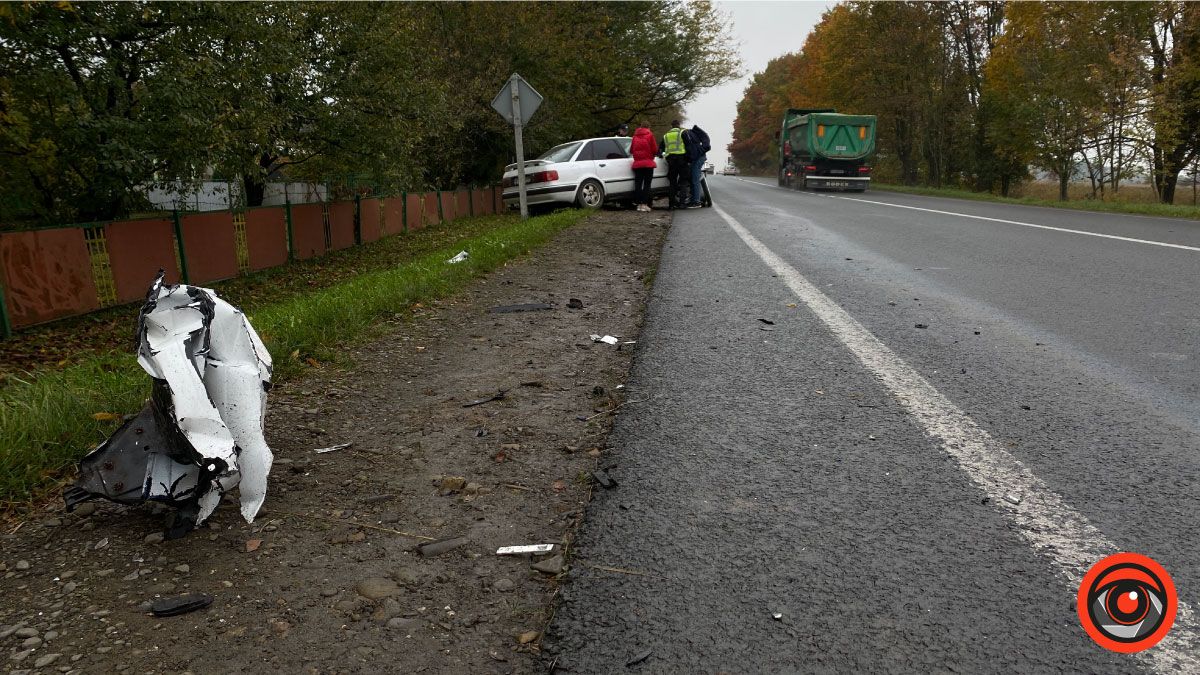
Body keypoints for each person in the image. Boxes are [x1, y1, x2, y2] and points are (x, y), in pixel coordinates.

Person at [660, 120, 690, 210]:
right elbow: (688, 146)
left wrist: (665, 156)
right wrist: (689, 159)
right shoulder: (682, 133)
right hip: (682, 160)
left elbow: (661, 149)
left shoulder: (666, 135)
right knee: (683, 182)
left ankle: (671, 205)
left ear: (671, 126)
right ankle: (682, 204)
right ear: (679, 125)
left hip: (671, 161)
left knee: (672, 183)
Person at [630, 122, 658, 212]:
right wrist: (652, 155)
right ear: (648, 127)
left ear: (640, 127)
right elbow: (655, 149)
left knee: (638, 184)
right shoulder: (650, 135)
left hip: (637, 164)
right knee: (647, 184)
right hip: (648, 164)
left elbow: (631, 150)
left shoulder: (634, 137)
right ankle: (644, 204)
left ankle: (638, 205)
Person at [686, 124, 711, 208]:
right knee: (692, 178)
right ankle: (693, 199)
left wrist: (702, 150)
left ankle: (696, 201)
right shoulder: (689, 133)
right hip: (698, 157)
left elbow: (690, 149)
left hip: (699, 157)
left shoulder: (686, 134)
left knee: (695, 178)